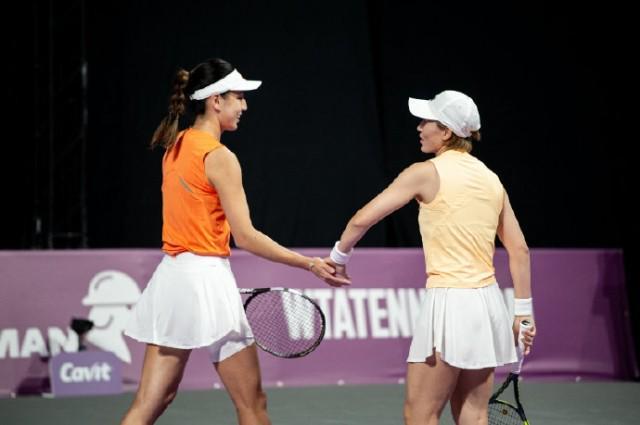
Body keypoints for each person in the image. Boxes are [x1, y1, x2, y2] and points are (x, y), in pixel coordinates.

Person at [121, 58, 349, 425]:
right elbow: (246, 237)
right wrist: (309, 263)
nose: (244, 106)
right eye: (238, 97)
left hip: (173, 279)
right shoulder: (219, 157)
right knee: (252, 404)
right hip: (207, 279)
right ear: (216, 101)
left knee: (151, 400)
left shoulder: (175, 145)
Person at [326, 90, 536, 425]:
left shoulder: (424, 172)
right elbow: (520, 250)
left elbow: (362, 219)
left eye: (427, 121)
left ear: (447, 131)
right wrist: (523, 313)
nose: (419, 127)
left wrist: (339, 256)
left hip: (450, 304)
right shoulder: (491, 179)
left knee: (420, 415)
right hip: (488, 306)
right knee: (473, 414)